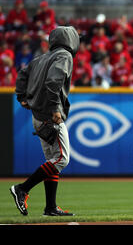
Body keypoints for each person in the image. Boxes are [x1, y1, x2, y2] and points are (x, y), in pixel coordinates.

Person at [11, 26, 79, 216]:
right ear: (70, 40)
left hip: (38, 116)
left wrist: (21, 96)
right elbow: (53, 82)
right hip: (50, 115)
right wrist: (56, 108)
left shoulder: (42, 57)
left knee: (52, 160)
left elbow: (22, 74)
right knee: (61, 159)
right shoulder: (64, 56)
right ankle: (22, 188)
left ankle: (50, 207)